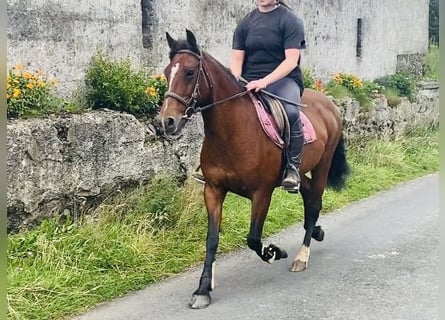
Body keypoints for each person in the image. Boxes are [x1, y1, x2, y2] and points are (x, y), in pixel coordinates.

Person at [230, 0, 306, 193]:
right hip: (249, 80)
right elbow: (237, 59)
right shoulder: (246, 22)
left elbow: (291, 61)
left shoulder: (290, 20)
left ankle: (292, 168)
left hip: (284, 80)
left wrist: (265, 81)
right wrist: (236, 80)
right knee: (225, 112)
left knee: (291, 112)